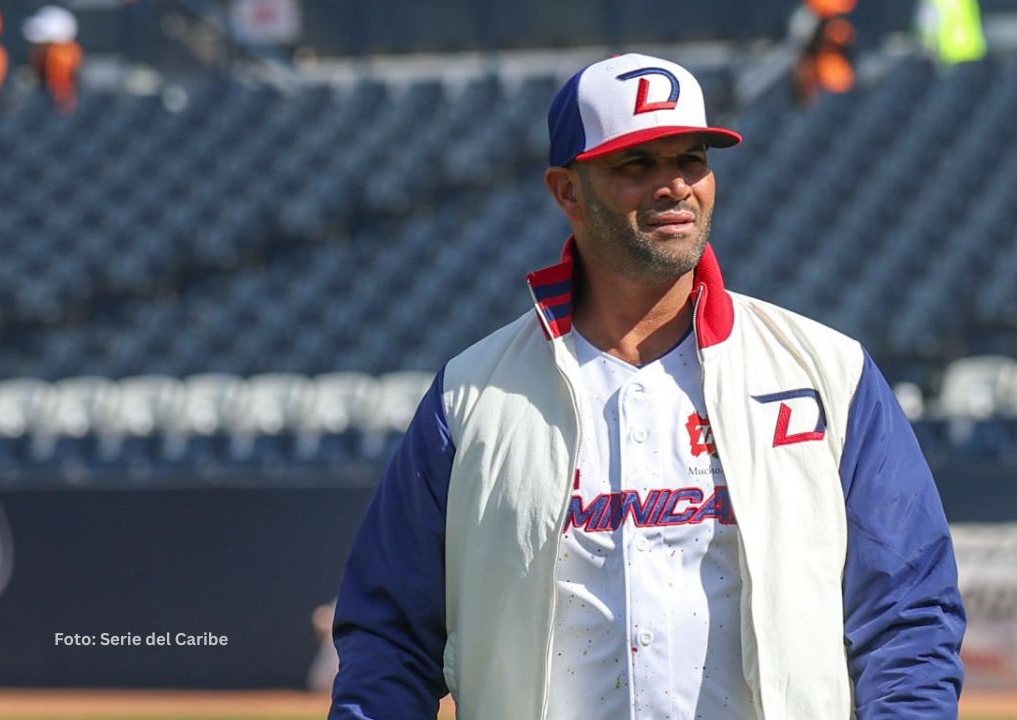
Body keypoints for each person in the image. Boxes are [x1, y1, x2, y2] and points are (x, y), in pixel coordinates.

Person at [329, 53, 965, 720]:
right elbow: (391, 636)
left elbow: (909, 614)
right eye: (637, 165)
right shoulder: (471, 397)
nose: (675, 186)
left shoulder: (827, 372)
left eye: (691, 159)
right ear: (567, 191)